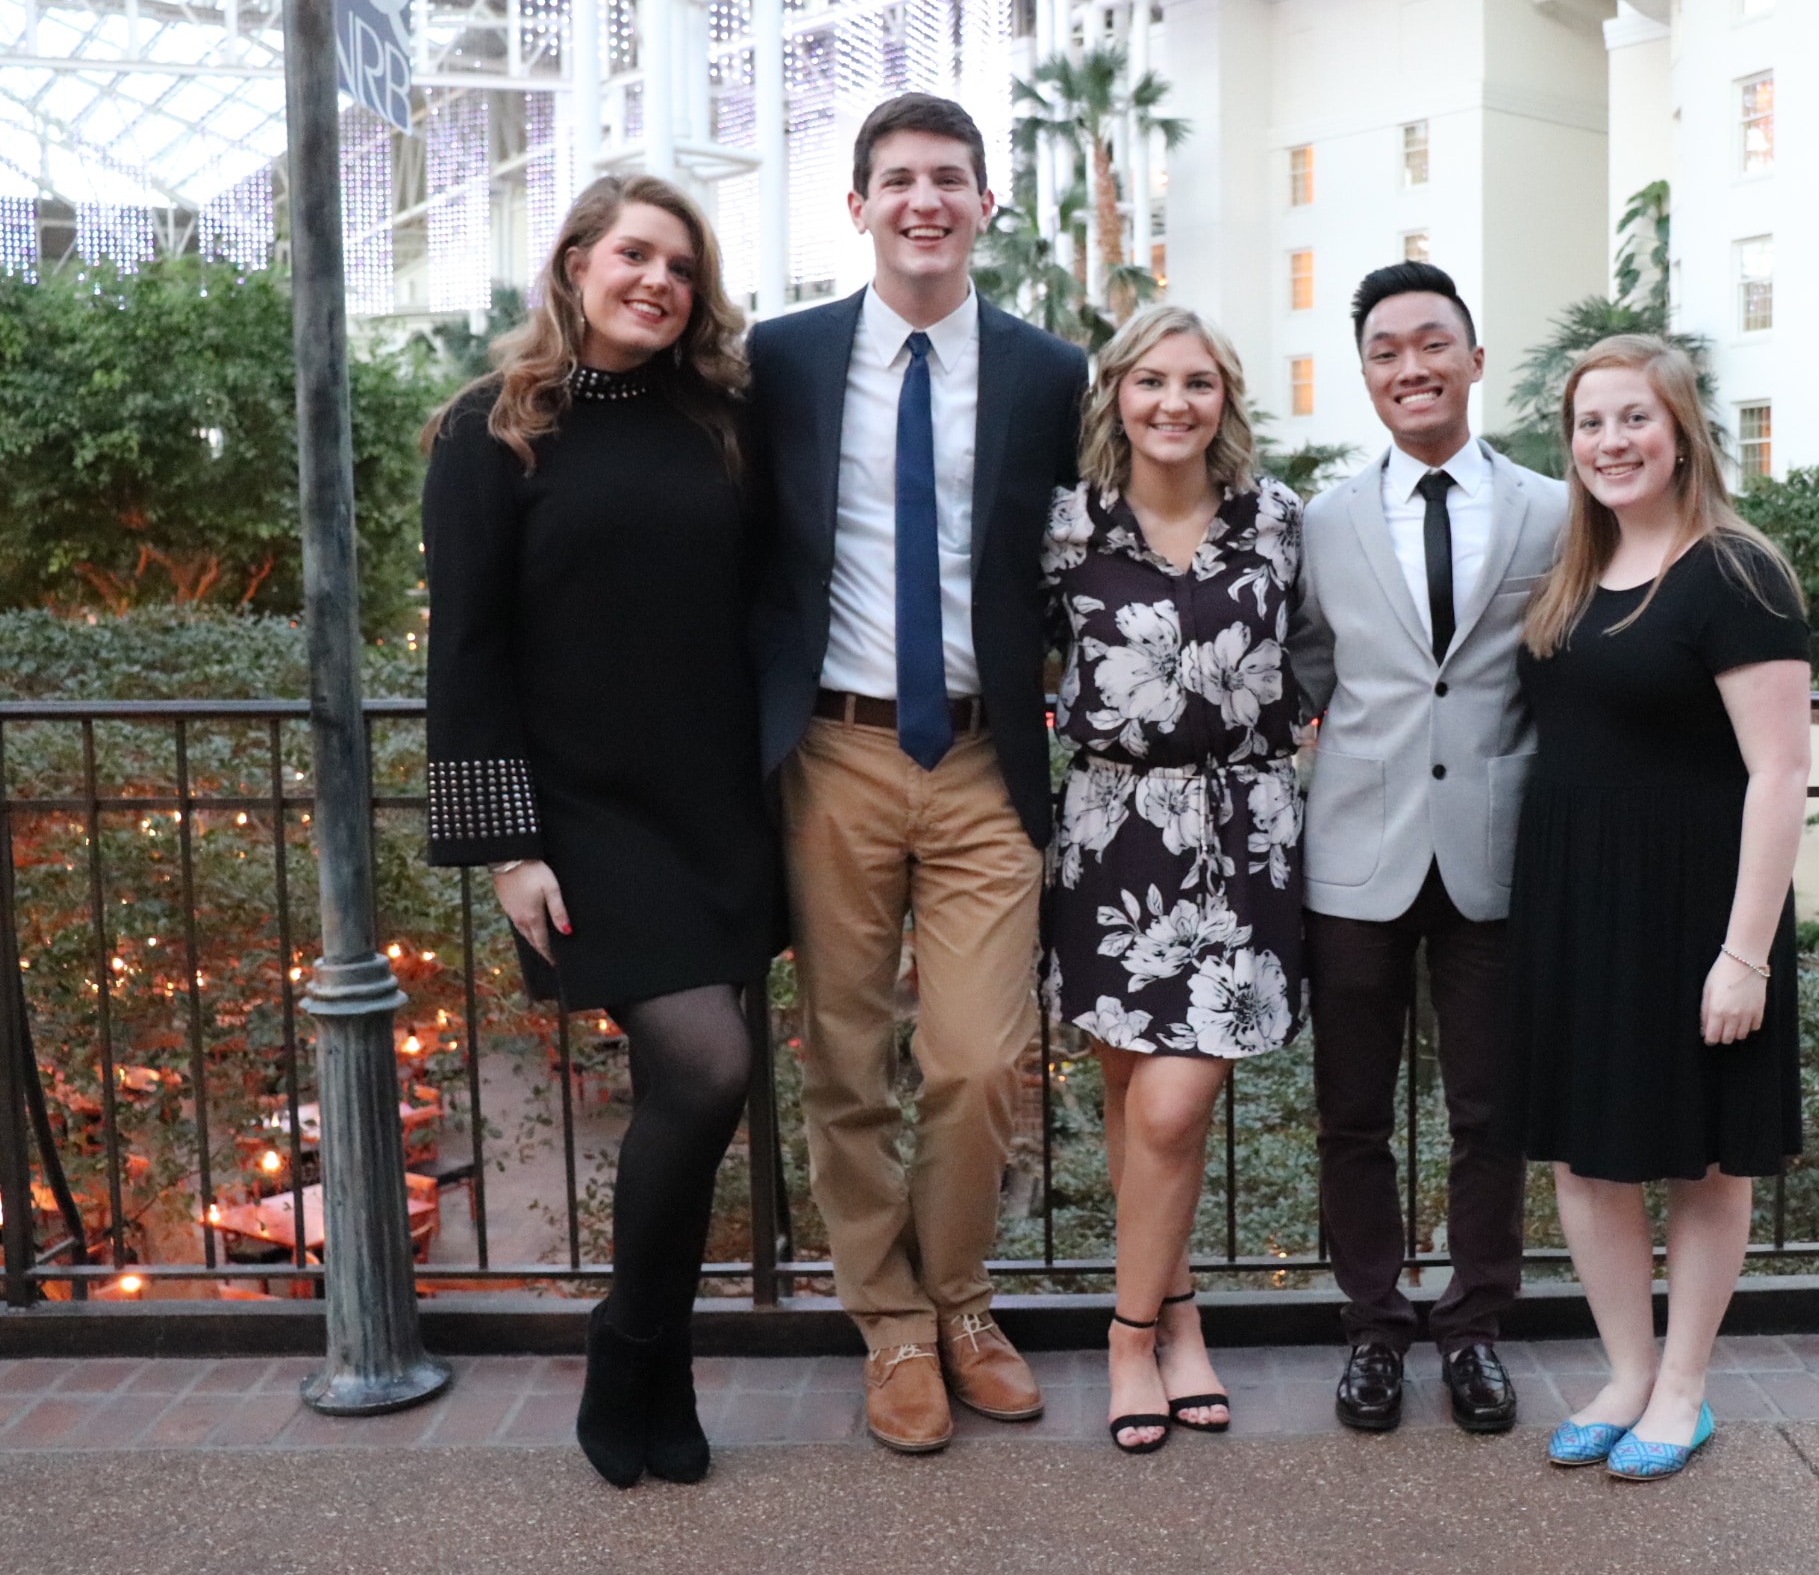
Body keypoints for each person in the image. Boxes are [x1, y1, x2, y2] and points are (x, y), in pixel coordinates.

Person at [421, 175, 782, 1489]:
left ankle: (655, 1365)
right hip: (581, 818)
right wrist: (509, 845)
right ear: (576, 261)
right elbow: (465, 649)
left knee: (685, 1098)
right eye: (635, 254)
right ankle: (636, 1340)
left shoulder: (724, 417)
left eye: (680, 266)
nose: (658, 282)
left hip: (719, 807)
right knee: (705, 1064)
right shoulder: (490, 431)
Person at [745, 93, 1088, 1455]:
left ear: (985, 204)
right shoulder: (781, 361)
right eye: (898, 180)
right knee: (844, 1059)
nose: (925, 201)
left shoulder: (1049, 372)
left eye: (950, 179)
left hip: (988, 755)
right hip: (829, 748)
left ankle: (961, 1301)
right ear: (859, 206)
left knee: (977, 1060)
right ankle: (888, 1323)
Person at [1514, 334, 1812, 1481]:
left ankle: (1684, 1386)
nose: (1610, 442)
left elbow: (1780, 772)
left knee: (1701, 1160)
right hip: (1578, 906)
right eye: (1591, 424)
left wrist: (1744, 955)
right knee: (1586, 1161)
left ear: (1681, 430)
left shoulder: (1737, 572)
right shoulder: (1574, 570)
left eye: (1633, 418)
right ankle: (1627, 1372)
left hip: (1696, 909)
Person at [1289, 262, 1569, 1435]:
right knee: (1352, 1109)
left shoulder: (1554, 511)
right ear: (1366, 377)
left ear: (1473, 355)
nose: (1412, 366)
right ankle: (1370, 1324)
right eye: (1388, 351)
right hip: (1357, 848)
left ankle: (1474, 1328)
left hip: (1494, 855)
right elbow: (1309, 663)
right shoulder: (1325, 519)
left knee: (1488, 1111)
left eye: (1432, 343)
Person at [1042, 304, 1306, 1454]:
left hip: (1245, 834)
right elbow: (1020, 663)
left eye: (1197, 383)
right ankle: (1183, 1321)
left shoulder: (1277, 519)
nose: (1173, 404)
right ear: (1117, 395)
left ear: (1225, 400)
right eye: (1151, 381)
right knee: (1131, 1105)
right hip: (1108, 833)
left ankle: (1126, 1333)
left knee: (1172, 1101)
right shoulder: (1067, 528)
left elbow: (1325, 661)